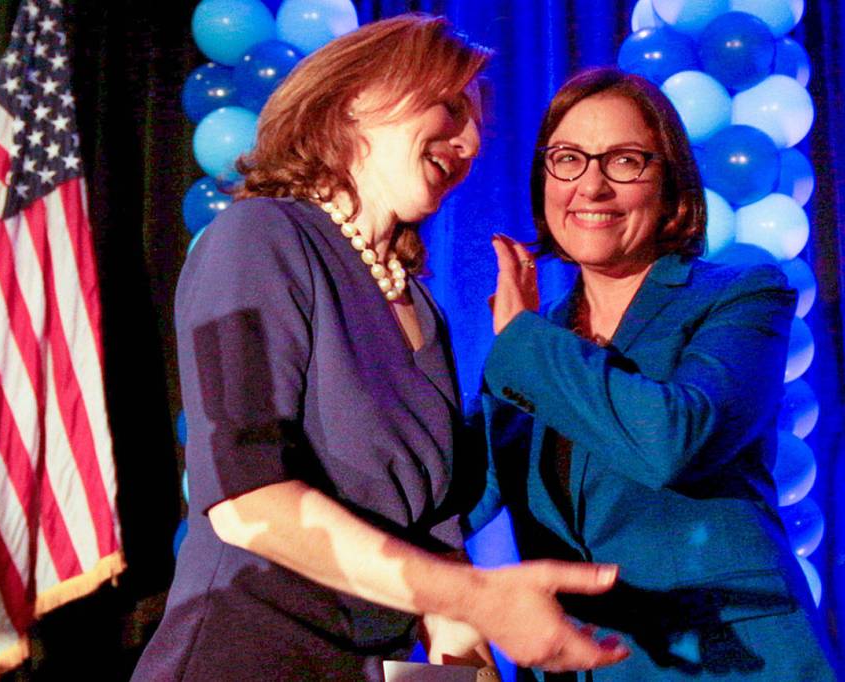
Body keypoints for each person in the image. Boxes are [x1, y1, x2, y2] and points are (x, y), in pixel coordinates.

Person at [133, 18, 631, 681]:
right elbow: (247, 502)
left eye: (477, 126)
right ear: (355, 100)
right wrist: (477, 596)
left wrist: (474, 649)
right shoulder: (258, 237)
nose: (471, 142)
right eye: (449, 108)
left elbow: (437, 551)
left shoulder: (420, 306)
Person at [475, 67, 837, 680]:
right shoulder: (534, 341)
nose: (591, 187)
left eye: (624, 162)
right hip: (578, 664)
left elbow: (672, 441)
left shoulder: (743, 295)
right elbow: (457, 496)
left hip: (728, 662)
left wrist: (524, 341)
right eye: (568, 159)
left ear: (670, 184)